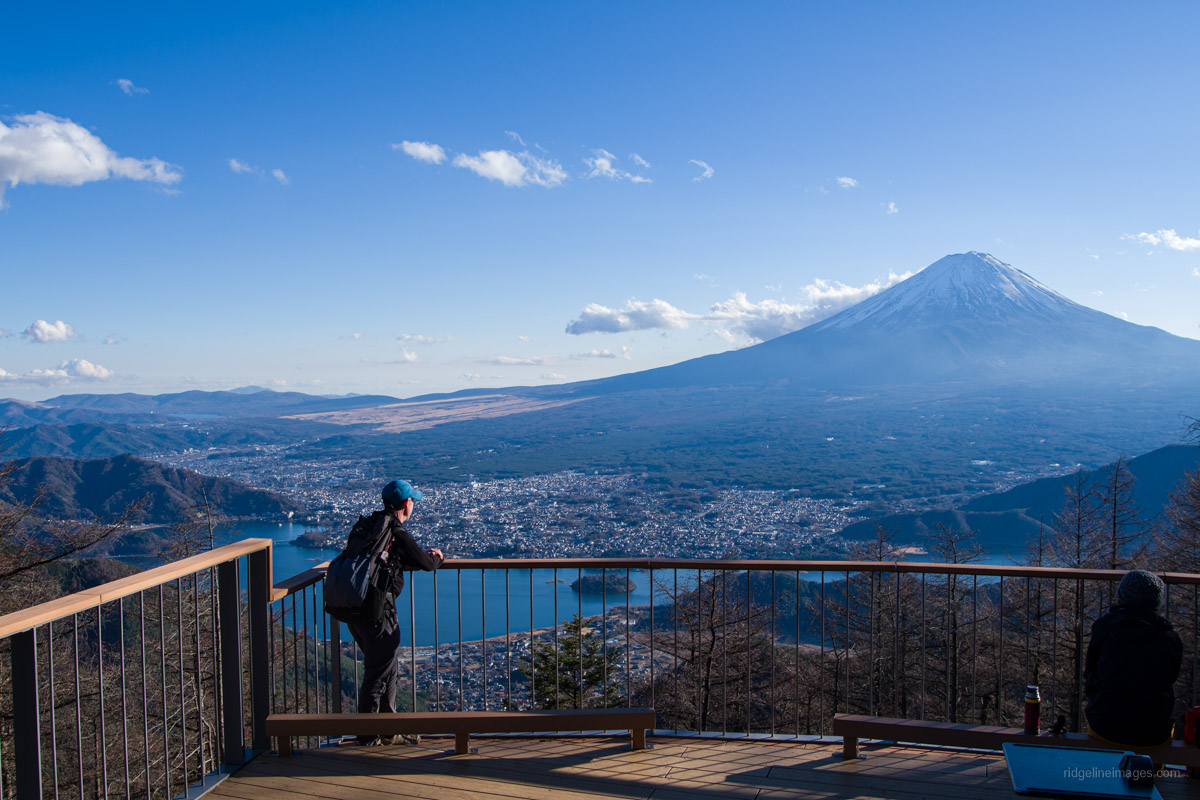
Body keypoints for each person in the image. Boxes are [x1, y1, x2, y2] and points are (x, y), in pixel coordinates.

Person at [346, 479, 443, 745]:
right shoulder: (395, 532)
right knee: (377, 677)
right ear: (405, 504)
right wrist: (438, 556)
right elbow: (425, 562)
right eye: (413, 500)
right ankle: (367, 738)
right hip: (378, 615)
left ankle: (388, 730)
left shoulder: (368, 526)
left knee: (386, 669)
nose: (414, 504)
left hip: (354, 610)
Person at [1084, 569, 1182, 747]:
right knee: (1149, 771)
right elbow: (1171, 677)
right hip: (1155, 732)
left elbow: (1091, 671)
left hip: (1105, 726)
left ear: (1121, 596)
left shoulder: (1105, 627)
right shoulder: (1169, 637)